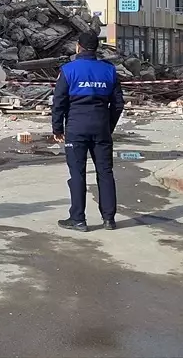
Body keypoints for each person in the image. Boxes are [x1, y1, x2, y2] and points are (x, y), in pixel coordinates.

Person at [52, 32, 125, 232]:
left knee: (77, 173)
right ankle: (109, 219)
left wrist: (57, 128)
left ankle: (78, 219)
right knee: (105, 172)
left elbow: (59, 102)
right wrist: (108, 126)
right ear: (96, 48)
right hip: (101, 127)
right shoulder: (109, 70)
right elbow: (118, 104)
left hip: (76, 128)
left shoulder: (68, 70)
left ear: (78, 47)